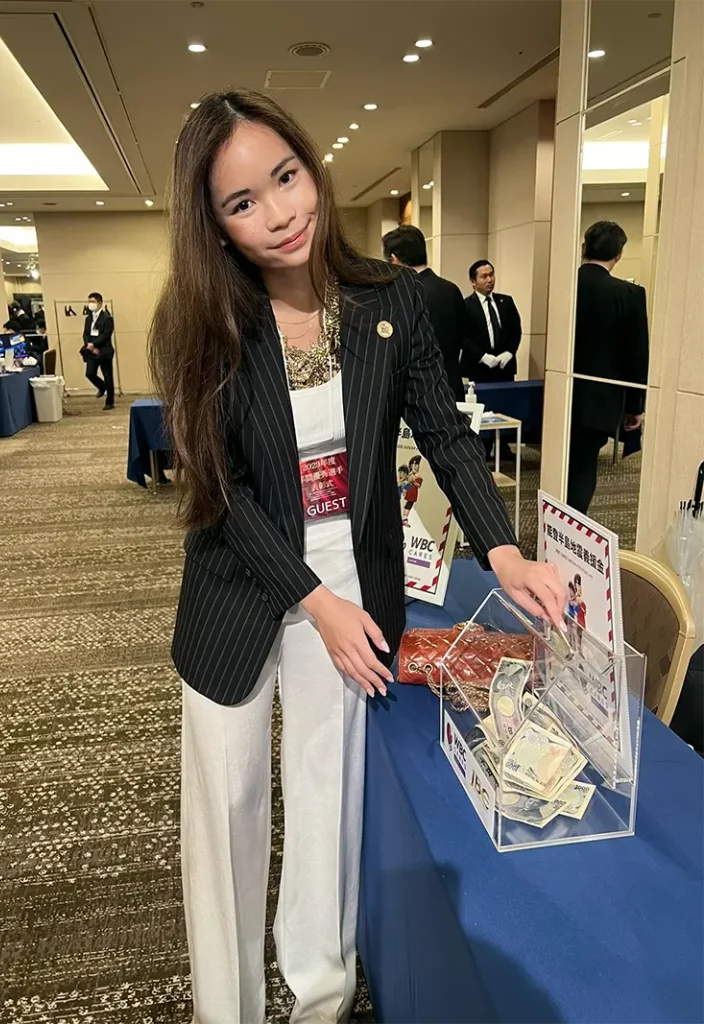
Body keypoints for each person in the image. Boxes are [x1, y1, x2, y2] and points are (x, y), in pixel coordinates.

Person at [148, 88, 565, 1024]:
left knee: (330, 797)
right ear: (211, 224)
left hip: (357, 576)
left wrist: (503, 547)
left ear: (311, 166)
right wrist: (312, 597)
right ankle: (230, 1010)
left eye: (286, 178)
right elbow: (222, 495)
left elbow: (446, 437)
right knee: (228, 811)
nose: (281, 213)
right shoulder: (199, 320)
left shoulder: (390, 299)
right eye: (242, 202)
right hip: (241, 582)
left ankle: (322, 993)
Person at [567, 221, 649, 513]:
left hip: (562, 394)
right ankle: (574, 524)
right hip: (602, 398)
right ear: (619, 254)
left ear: (584, 248)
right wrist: (635, 405)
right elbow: (637, 354)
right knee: (584, 467)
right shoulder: (629, 294)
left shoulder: (565, 285)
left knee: (560, 464)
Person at [381, 224, 467, 402]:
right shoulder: (451, 289)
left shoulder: (401, 293)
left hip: (417, 394)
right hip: (451, 386)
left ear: (394, 259)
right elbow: (462, 337)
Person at [461, 260, 521, 383]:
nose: (490, 280)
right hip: (478, 368)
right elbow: (462, 337)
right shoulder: (465, 306)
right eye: (484, 277)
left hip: (504, 367)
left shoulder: (506, 302)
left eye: (491, 275)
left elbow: (516, 330)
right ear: (473, 282)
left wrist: (510, 353)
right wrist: (483, 357)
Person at [82, 292, 115, 410]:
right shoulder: (88, 318)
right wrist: (89, 345)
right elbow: (85, 333)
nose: (90, 304)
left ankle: (110, 401)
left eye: (93, 302)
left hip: (104, 351)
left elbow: (106, 335)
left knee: (108, 375)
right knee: (90, 373)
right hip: (91, 351)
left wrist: (95, 345)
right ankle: (102, 387)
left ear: (100, 303)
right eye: (89, 302)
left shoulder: (107, 318)